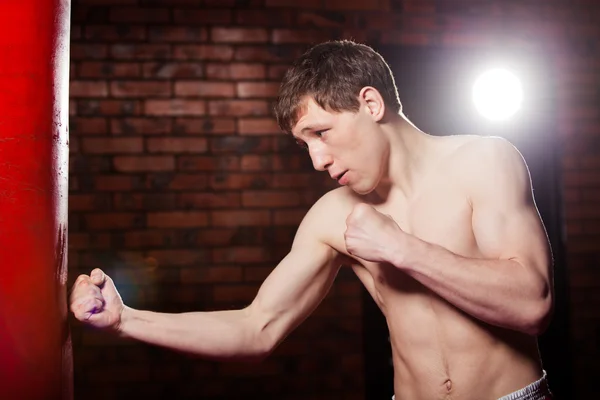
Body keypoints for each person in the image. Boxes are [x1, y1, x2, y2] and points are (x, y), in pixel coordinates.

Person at [70, 40, 555, 400]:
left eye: (321, 133)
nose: (317, 160)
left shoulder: (483, 161)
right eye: (305, 144)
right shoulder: (335, 214)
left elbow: (532, 305)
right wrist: (126, 322)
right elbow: (255, 328)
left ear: (370, 104)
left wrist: (401, 248)